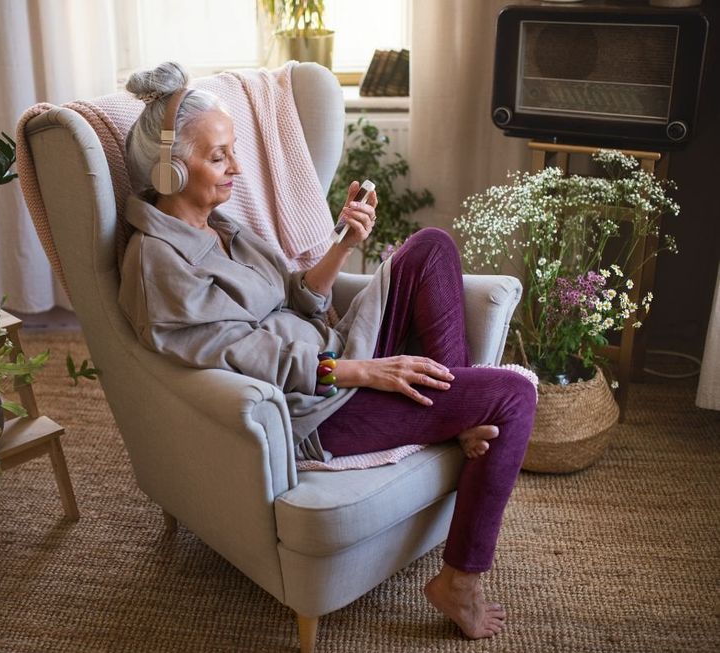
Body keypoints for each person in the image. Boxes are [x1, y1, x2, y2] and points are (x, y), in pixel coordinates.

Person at [118, 62, 536, 640]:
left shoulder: (221, 225)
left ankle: (456, 413)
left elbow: (295, 297)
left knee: (431, 246)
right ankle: (459, 581)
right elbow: (243, 357)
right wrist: (364, 371)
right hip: (316, 407)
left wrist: (344, 243)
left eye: (233, 151)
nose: (237, 167)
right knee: (512, 397)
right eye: (219, 157)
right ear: (169, 170)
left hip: (337, 353)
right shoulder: (158, 265)